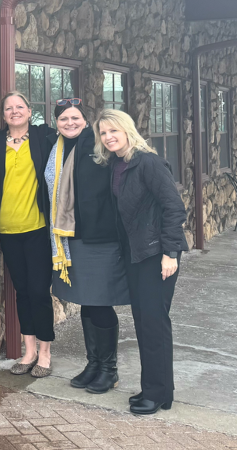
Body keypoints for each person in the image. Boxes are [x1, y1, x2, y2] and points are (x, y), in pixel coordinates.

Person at [94, 109, 188, 415]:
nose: (108, 137)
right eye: (103, 133)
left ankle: (157, 392)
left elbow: (173, 207)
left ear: (127, 130)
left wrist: (170, 252)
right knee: (146, 323)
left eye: (113, 131)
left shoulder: (148, 162)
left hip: (156, 255)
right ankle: (158, 390)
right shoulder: (119, 164)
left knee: (153, 324)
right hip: (136, 255)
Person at [44, 99, 130, 393]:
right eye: (63, 118)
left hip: (101, 238)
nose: (70, 122)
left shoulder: (99, 143)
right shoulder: (55, 148)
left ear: (85, 120)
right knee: (87, 301)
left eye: (76, 117)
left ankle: (109, 369)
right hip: (72, 237)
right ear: (56, 122)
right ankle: (94, 363)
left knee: (100, 302)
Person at [0, 92, 55, 377]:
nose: (14, 112)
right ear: (2, 115)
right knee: (23, 292)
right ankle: (28, 351)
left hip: (37, 228)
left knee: (40, 292)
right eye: (8, 108)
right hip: (6, 230)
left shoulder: (43, 137)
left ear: (30, 111)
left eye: (19, 107)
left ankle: (45, 353)